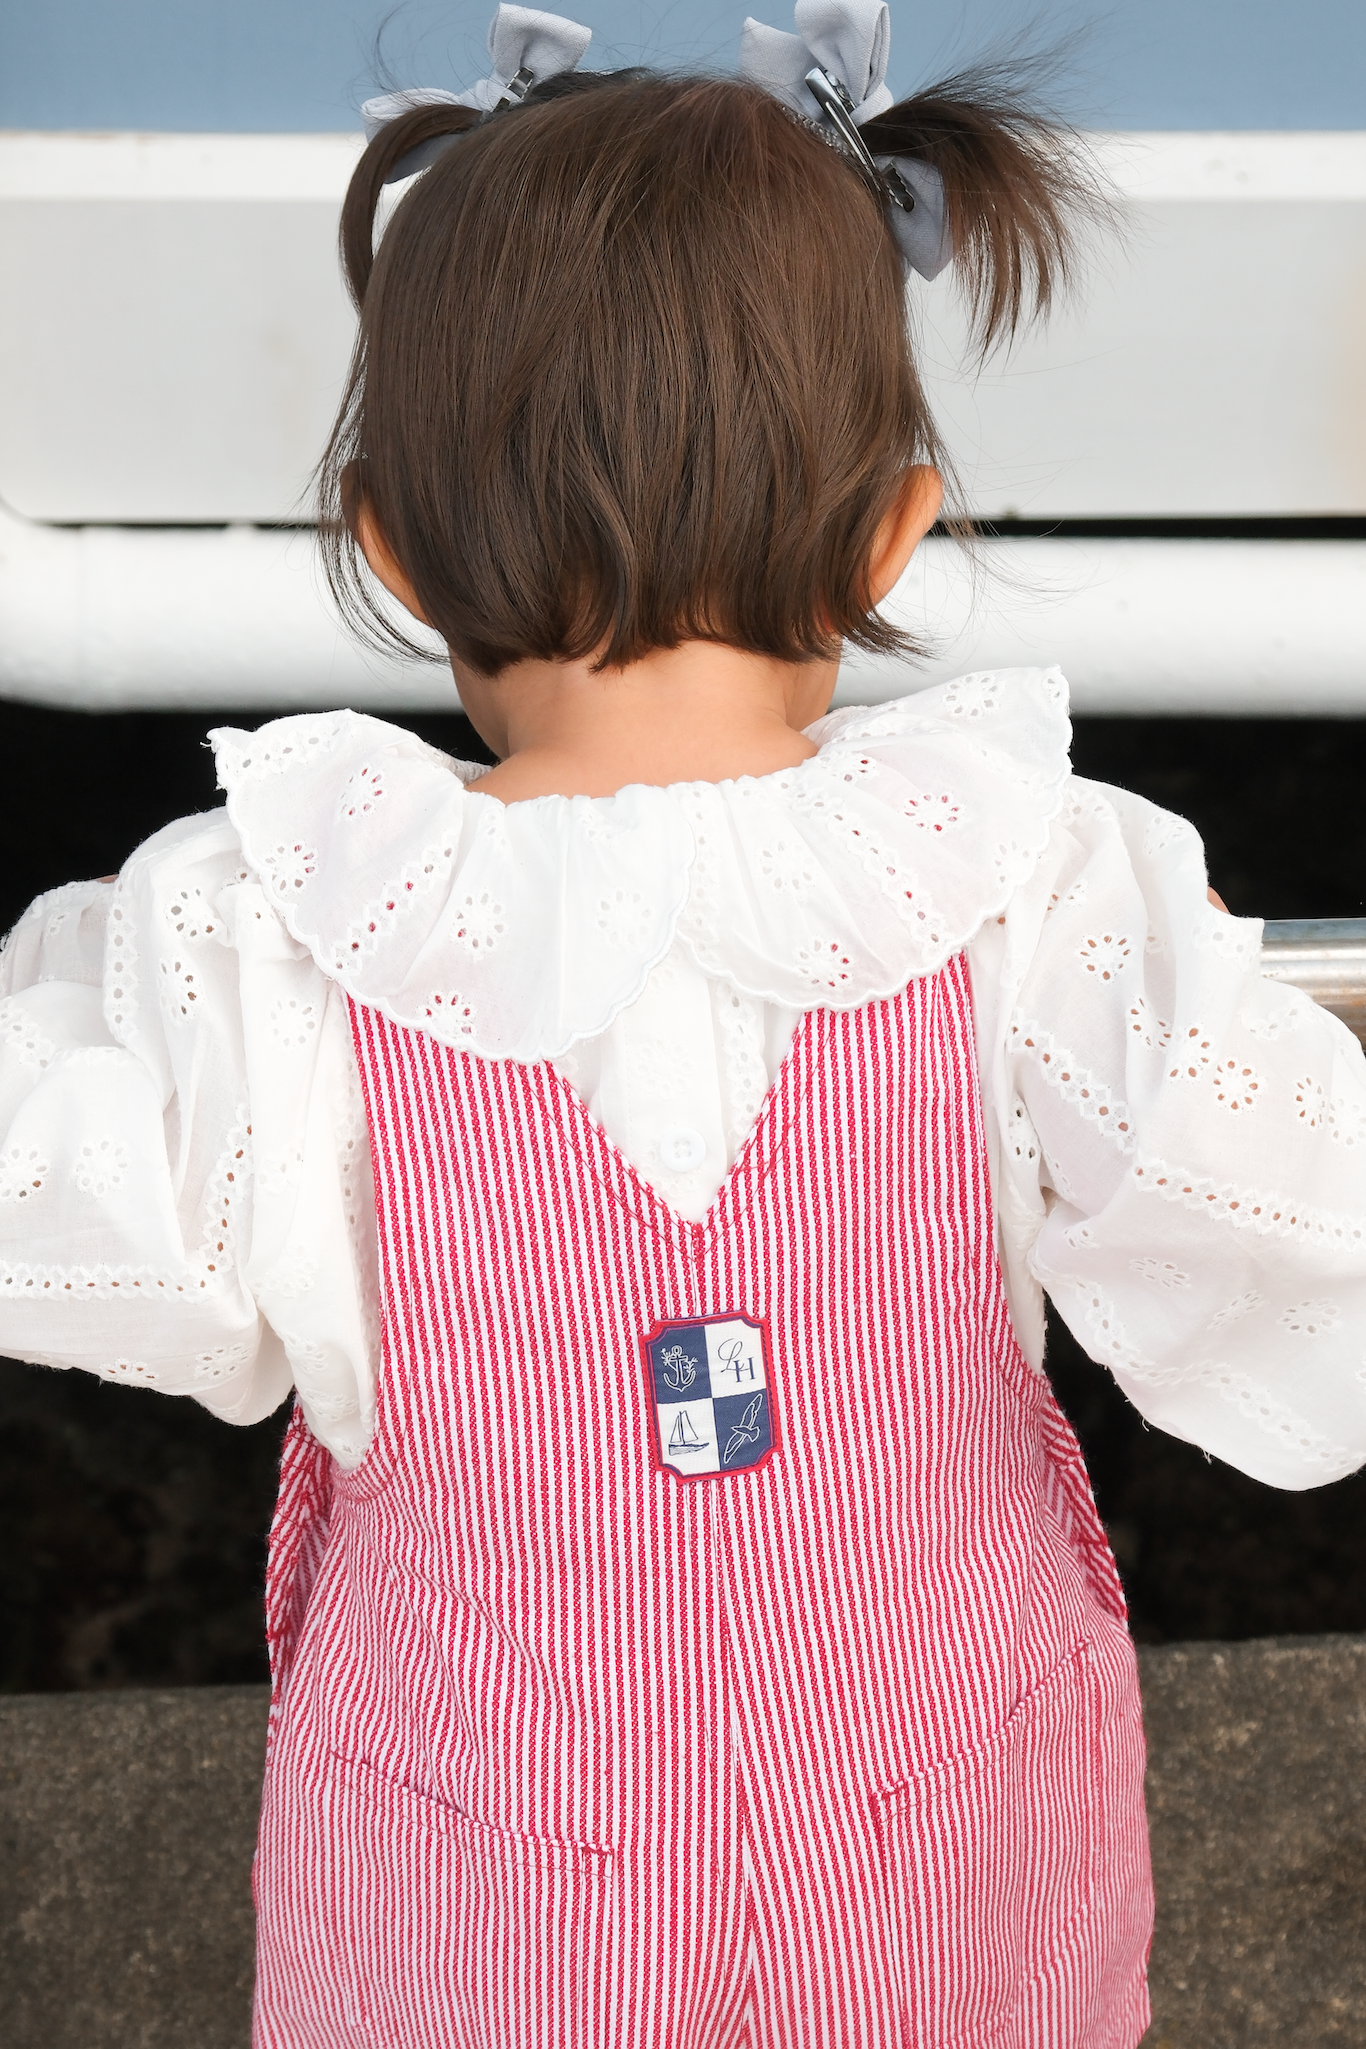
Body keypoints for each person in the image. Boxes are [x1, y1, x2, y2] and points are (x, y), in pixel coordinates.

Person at [3, 4, 1364, 2042]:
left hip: (474, 1905)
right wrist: (1221, 993)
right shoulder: (1023, 887)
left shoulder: (282, 939)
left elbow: (93, 1218)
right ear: (892, 527)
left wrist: (72, 975)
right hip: (923, 1885)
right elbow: (1284, 1219)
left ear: (379, 538)